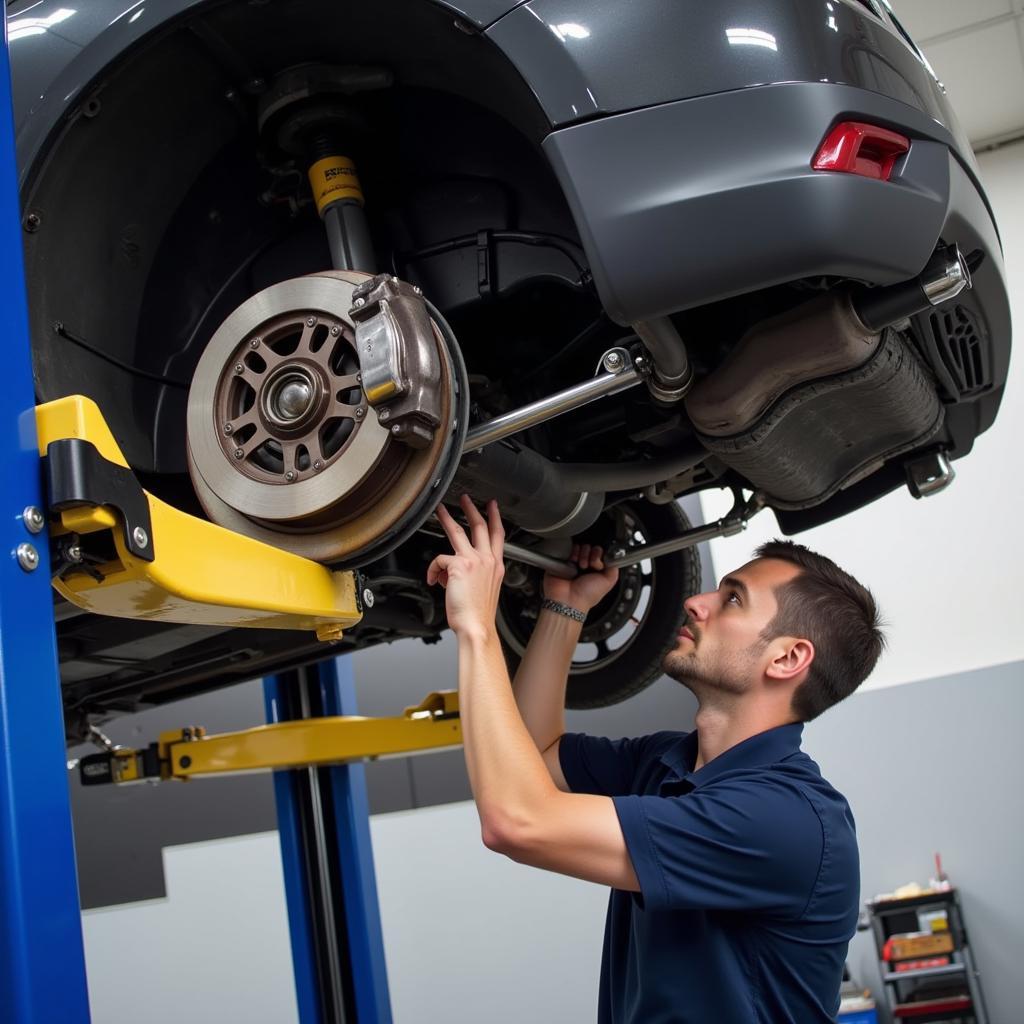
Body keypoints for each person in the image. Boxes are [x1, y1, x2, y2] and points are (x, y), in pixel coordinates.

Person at [427, 494, 886, 1024]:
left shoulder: (787, 819)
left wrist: (477, 628)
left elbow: (516, 821)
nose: (697, 602)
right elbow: (535, 755)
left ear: (786, 658)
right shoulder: (669, 763)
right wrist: (566, 607)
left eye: (733, 599)